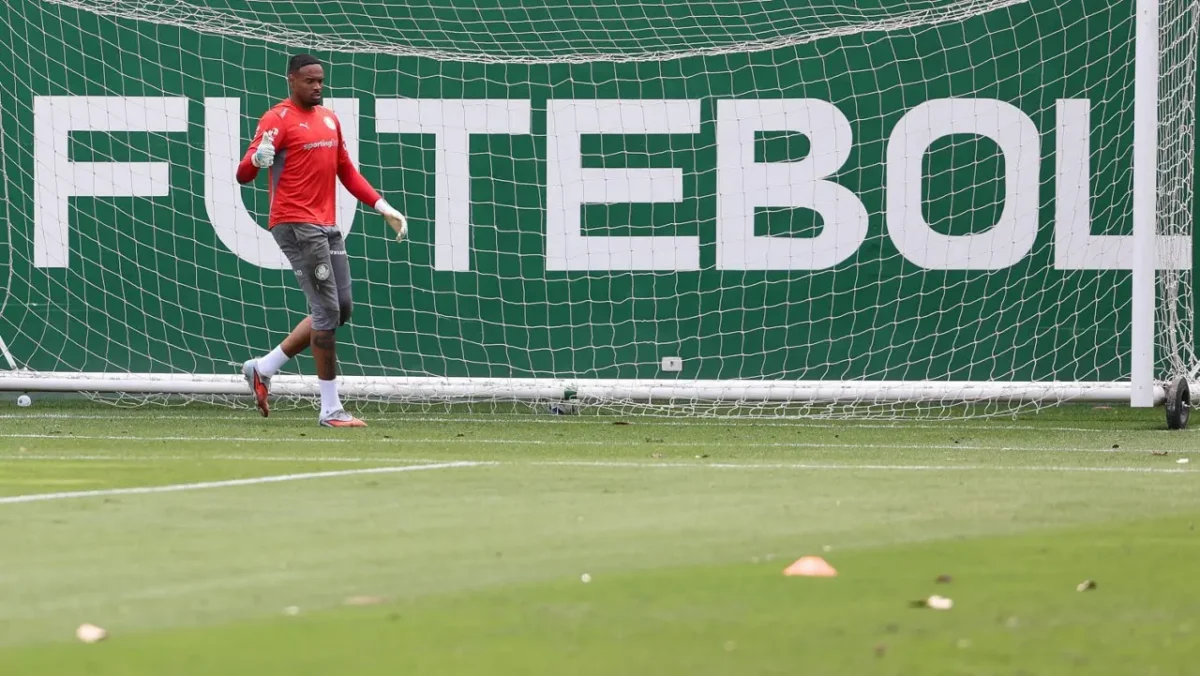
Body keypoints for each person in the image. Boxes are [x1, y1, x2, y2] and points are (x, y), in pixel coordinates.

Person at [236, 53, 407, 427]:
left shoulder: (329, 119)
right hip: (296, 224)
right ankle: (330, 410)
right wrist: (258, 160)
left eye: (321, 81)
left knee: (339, 309)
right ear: (291, 80)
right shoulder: (276, 119)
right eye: (310, 80)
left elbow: (345, 170)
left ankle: (262, 368)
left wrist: (382, 205)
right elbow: (243, 174)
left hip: (327, 225)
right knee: (327, 313)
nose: (317, 86)